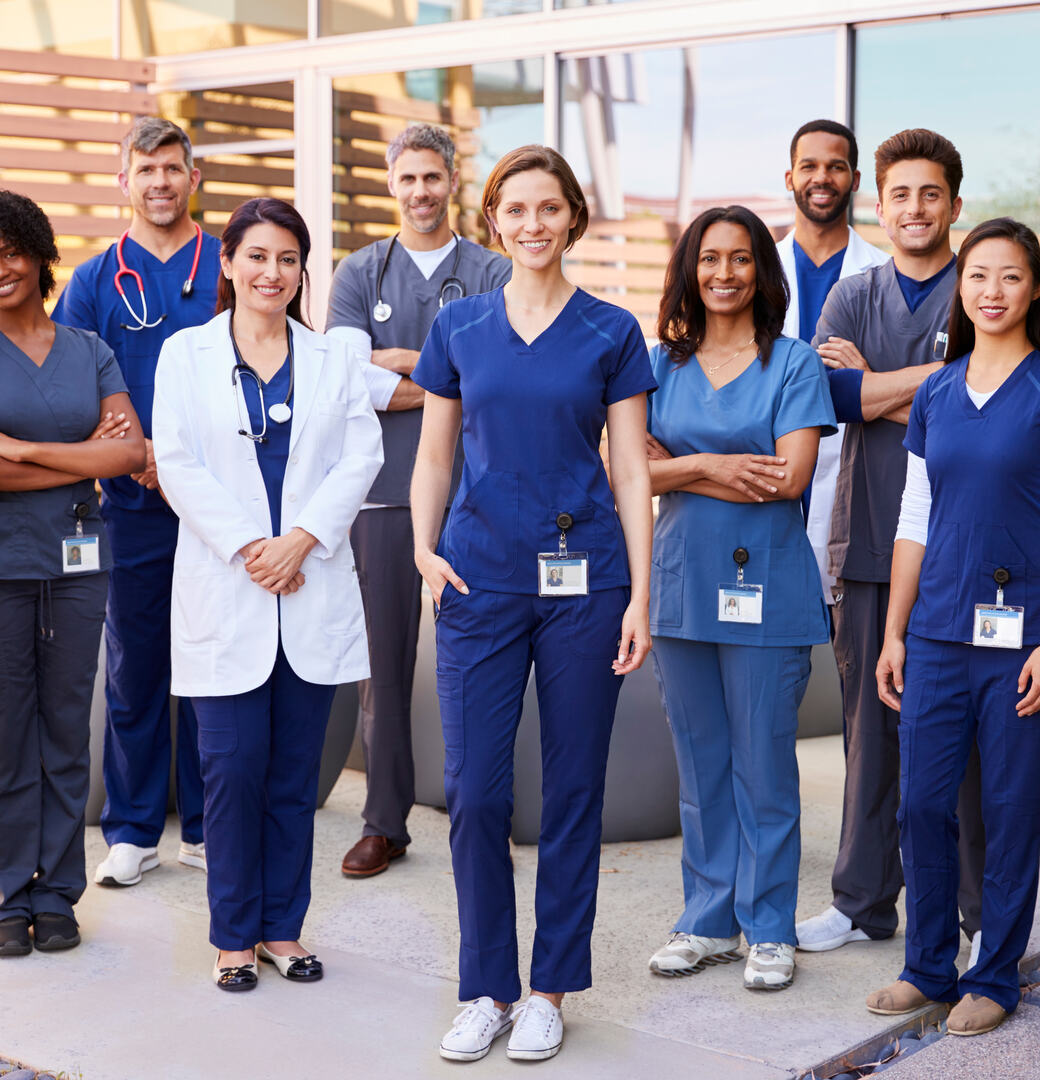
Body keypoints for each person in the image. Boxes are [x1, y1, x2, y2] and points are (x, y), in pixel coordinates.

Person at [410, 145, 653, 1061]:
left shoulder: (611, 331)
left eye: (550, 208)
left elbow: (629, 466)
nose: (534, 224)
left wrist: (635, 590)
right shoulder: (461, 327)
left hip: (585, 583)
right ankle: (485, 987)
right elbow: (435, 455)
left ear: (573, 218)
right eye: (516, 210)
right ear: (494, 221)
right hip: (477, 578)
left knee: (573, 788)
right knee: (473, 793)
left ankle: (549, 986)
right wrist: (424, 552)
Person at [151, 197, 382, 992]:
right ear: (228, 263)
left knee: (291, 778)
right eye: (256, 256)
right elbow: (176, 463)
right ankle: (232, 936)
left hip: (307, 582)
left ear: (301, 270)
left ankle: (283, 928)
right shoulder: (185, 355)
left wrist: (302, 539)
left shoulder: (332, 360)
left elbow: (362, 454)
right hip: (231, 583)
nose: (271, 273)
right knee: (231, 772)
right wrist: (253, 546)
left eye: (287, 259)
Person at [795, 129, 986, 960]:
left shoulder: (980, 288)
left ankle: (980, 917)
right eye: (900, 194)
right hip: (869, 543)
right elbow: (834, 393)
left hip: (975, 553)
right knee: (869, 735)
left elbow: (1004, 399)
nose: (914, 209)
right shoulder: (851, 295)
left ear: (953, 204)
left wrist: (883, 387)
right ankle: (863, 901)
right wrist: (947, 388)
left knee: (973, 749)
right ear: (881, 204)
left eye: (930, 194)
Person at [644, 206, 836, 992]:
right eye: (710, 259)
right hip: (683, 586)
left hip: (769, 586)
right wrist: (717, 468)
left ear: (763, 270)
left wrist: (680, 461)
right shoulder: (659, 364)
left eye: (741, 259)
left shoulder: (792, 364)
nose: (724, 274)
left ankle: (768, 926)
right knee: (701, 763)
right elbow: (625, 471)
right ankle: (707, 920)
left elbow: (788, 476)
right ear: (690, 269)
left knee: (764, 765)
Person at [867, 217, 1040, 1036]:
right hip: (935, 634)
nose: (992, 292)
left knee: (1008, 811)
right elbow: (914, 517)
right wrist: (895, 631)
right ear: (960, 288)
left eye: (1010, 276)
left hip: (1020, 645)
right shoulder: (936, 389)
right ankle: (928, 965)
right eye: (978, 276)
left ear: (1034, 288)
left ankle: (994, 975)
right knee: (922, 806)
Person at [0, 190, 145, 956]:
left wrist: (26, 451)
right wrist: (77, 466)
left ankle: (57, 892)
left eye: (10, 253)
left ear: (39, 253)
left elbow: (129, 454)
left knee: (68, 730)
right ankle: (8, 897)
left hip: (76, 566)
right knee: (4, 736)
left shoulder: (88, 349)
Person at [326, 123, 511, 880]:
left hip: (477, 497)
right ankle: (384, 820)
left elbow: (492, 377)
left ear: (452, 181)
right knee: (385, 670)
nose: (420, 192)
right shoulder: (357, 273)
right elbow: (343, 378)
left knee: (485, 667)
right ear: (390, 183)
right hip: (381, 499)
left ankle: (483, 815)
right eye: (407, 179)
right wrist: (439, 373)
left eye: (432, 177)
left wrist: (398, 367)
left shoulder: (495, 272)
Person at [52, 117, 221, 887]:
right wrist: (142, 455)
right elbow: (71, 385)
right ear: (125, 181)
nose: (159, 181)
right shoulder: (93, 281)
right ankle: (132, 827)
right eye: (145, 169)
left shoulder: (230, 262)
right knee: (137, 663)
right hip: (133, 500)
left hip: (225, 502)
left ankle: (212, 825)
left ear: (195, 178)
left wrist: (186, 462)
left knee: (220, 660)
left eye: (172, 168)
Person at [776, 119, 887, 601]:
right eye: (809, 166)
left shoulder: (882, 275)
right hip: (770, 471)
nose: (822, 177)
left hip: (854, 483)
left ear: (855, 180)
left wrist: (868, 381)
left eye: (836, 166)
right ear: (790, 179)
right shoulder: (755, 270)